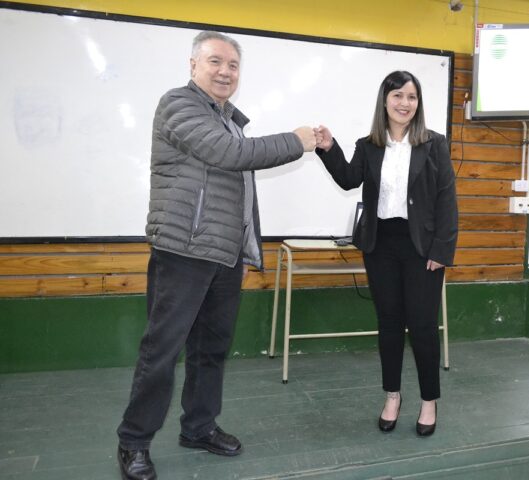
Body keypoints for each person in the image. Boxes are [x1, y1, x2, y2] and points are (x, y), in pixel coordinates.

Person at [116, 31, 316, 480]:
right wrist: (296, 139)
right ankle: (133, 442)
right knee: (162, 352)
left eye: (233, 65)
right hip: (183, 250)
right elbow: (231, 155)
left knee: (211, 350)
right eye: (215, 62)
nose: (225, 71)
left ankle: (199, 427)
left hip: (224, 254)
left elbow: (235, 164)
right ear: (193, 66)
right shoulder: (179, 105)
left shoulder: (230, 119)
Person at [314, 70, 458, 437]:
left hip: (422, 248)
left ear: (418, 103)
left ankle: (429, 401)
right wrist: (329, 148)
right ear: (385, 100)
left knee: (423, 326)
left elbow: (446, 201)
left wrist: (442, 250)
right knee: (390, 324)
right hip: (381, 246)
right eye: (397, 96)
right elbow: (348, 179)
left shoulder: (435, 144)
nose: (404, 103)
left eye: (411, 97)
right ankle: (392, 396)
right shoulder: (369, 145)